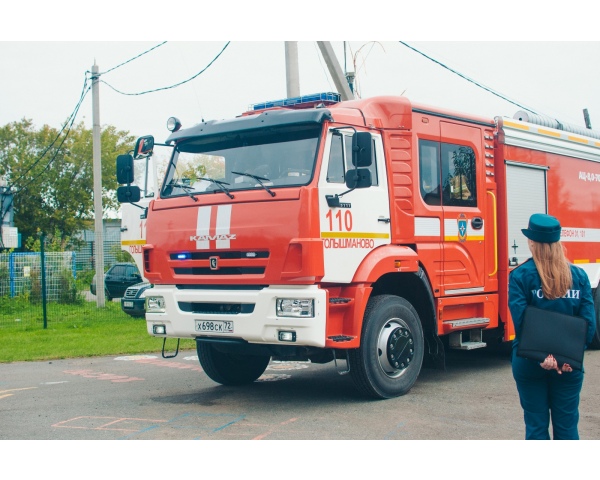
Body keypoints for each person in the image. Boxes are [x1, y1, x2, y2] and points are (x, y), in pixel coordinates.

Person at [508, 213, 596, 440]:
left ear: (532, 243)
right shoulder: (580, 276)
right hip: (569, 367)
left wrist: (543, 358)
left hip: (529, 364)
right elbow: (588, 326)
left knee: (536, 428)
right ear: (557, 242)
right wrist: (568, 359)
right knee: (567, 429)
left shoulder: (519, 276)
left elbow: (522, 323)